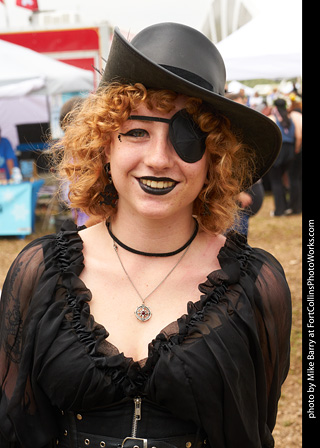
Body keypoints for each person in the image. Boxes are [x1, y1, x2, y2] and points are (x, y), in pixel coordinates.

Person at [0, 23, 291, 448]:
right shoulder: (40, 272)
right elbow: (12, 425)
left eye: (186, 138)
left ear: (214, 159)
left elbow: (255, 427)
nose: (158, 159)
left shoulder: (256, 286)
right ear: (105, 146)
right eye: (136, 131)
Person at [268, 98, 298, 216]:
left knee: (276, 181)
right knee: (285, 179)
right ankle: (287, 206)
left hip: (278, 151)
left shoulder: (273, 118)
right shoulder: (290, 118)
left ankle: (279, 210)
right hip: (290, 151)